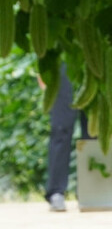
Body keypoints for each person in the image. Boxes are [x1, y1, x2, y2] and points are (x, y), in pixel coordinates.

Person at [45, 63, 92, 212]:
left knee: (94, 130)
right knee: (61, 127)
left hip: (95, 61)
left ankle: (90, 191)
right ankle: (56, 192)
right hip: (63, 59)